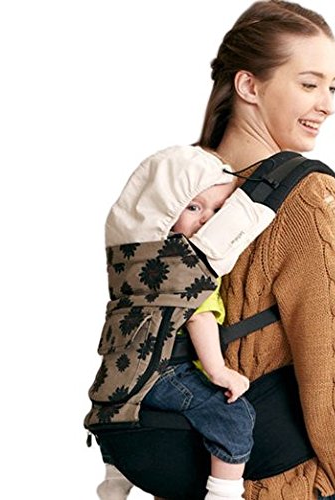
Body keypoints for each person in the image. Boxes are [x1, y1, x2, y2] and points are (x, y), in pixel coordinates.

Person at [193, 1, 335, 499]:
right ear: (249, 85)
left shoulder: (175, 187)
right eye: (309, 84)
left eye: (333, 87)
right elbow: (329, 371)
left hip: (190, 476)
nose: (328, 105)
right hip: (285, 482)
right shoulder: (308, 197)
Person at [95, 145, 256, 500]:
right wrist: (219, 371)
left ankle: (115, 476)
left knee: (115, 411)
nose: (206, 219)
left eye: (217, 210)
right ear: (165, 209)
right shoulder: (188, 266)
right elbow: (199, 317)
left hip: (122, 376)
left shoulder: (137, 259)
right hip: (165, 371)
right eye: (194, 207)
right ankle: (224, 493)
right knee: (234, 416)